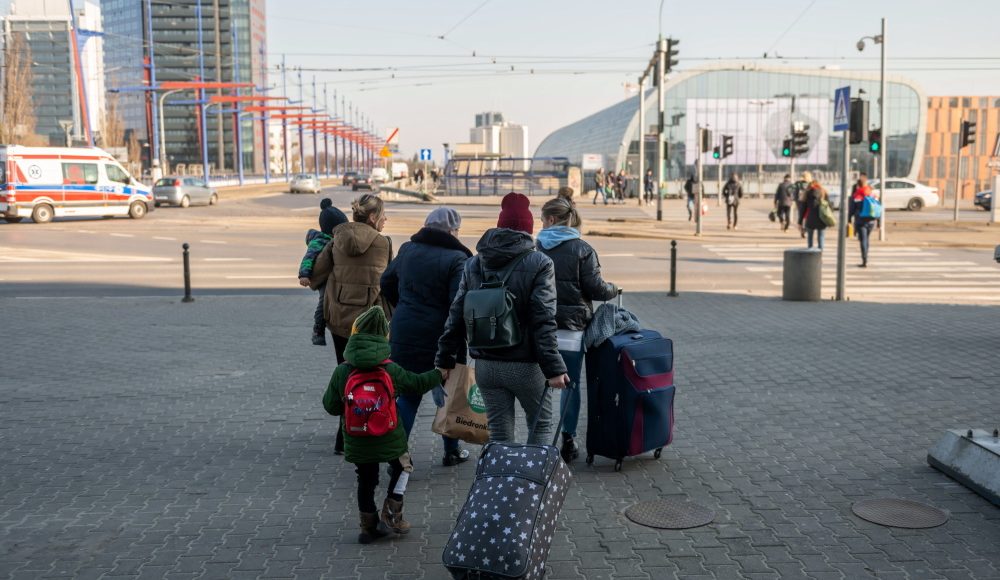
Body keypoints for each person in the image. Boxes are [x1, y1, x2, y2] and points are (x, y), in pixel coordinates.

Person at [436, 192, 569, 445]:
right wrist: (554, 369)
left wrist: (444, 360)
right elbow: (543, 319)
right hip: (526, 365)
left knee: (498, 432)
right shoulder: (540, 262)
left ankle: (500, 471)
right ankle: (534, 472)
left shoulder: (474, 263)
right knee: (540, 424)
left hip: (486, 365)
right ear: (528, 228)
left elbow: (456, 315)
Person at [322, 306, 445, 544]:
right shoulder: (390, 369)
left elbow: (330, 406)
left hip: (357, 438)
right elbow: (417, 384)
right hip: (389, 436)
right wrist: (438, 374)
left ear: (355, 333)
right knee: (403, 467)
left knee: (365, 479)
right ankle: (393, 514)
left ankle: (368, 528)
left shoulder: (342, 371)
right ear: (383, 336)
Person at [380, 207, 473, 467]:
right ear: (452, 231)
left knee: (408, 395)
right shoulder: (458, 258)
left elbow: (386, 281)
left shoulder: (408, 249)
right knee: (450, 394)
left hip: (404, 333)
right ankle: (451, 451)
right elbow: (458, 304)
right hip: (442, 337)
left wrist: (404, 307)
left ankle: (397, 455)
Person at [536, 197, 617, 462]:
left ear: (551, 219)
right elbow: (597, 289)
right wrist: (613, 289)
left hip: (539, 330)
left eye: (541, 218)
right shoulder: (583, 249)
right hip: (571, 331)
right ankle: (567, 440)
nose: (540, 223)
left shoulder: (536, 248)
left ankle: (537, 441)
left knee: (536, 386)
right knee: (570, 386)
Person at [311, 193, 393, 454]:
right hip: (370, 322)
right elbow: (390, 282)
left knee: (345, 371)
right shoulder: (383, 243)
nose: (385, 220)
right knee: (371, 375)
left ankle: (343, 436)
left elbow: (316, 274)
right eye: (383, 215)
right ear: (372, 217)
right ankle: (369, 428)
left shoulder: (337, 238)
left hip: (339, 319)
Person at [299, 198, 349, 346]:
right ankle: (318, 330)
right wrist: (304, 274)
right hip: (324, 281)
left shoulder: (337, 240)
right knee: (324, 302)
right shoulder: (320, 241)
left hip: (335, 277)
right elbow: (308, 258)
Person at [849, 173, 876, 267]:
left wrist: (849, 219)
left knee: (863, 240)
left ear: (858, 185)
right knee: (866, 239)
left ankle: (865, 260)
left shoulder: (856, 195)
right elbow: (876, 206)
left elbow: (851, 209)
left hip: (861, 220)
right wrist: (878, 221)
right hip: (871, 220)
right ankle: (866, 256)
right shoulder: (871, 193)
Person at [802, 177, 829, 250]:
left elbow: (803, 208)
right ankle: (820, 252)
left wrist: (800, 221)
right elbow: (828, 206)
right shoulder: (823, 192)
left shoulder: (807, 193)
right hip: (821, 218)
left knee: (810, 237)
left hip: (810, 218)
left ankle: (810, 252)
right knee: (821, 236)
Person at [795, 171, 812, 238]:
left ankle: (802, 229)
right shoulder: (811, 184)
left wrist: (796, 202)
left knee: (801, 216)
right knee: (808, 217)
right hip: (808, 203)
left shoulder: (798, 184)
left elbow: (795, 194)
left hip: (800, 202)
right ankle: (805, 230)